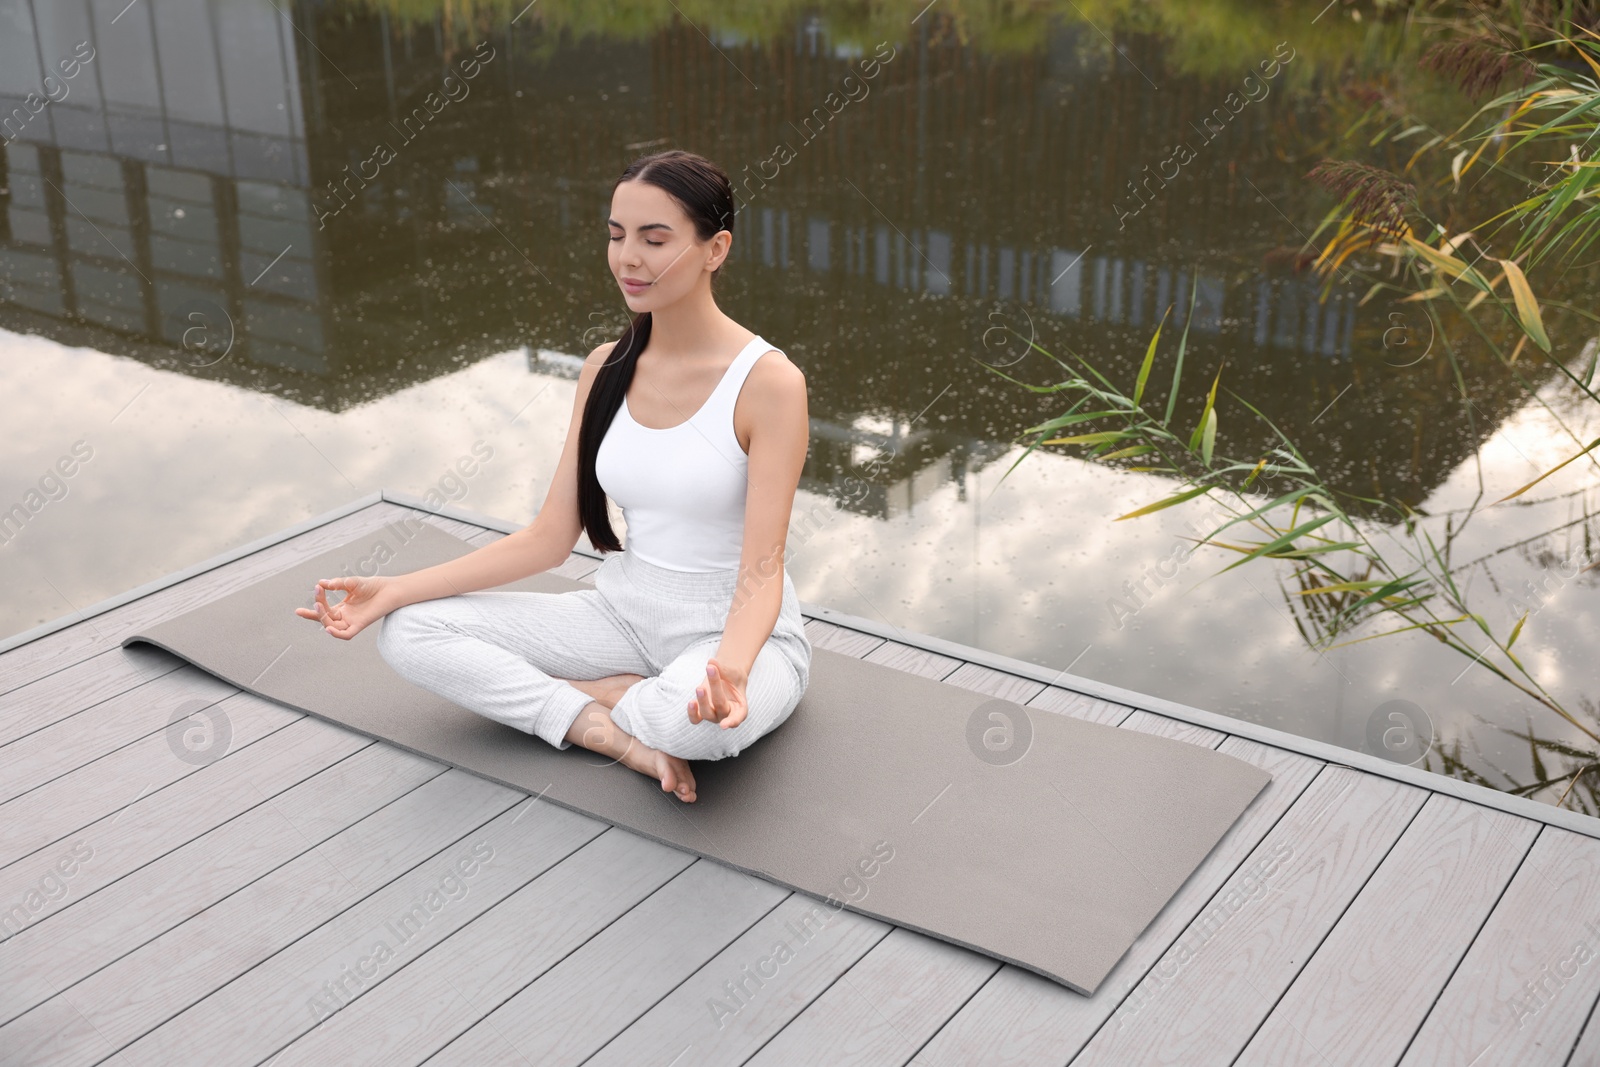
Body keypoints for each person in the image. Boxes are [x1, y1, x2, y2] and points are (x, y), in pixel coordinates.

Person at [293, 149, 812, 804]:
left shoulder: (769, 384)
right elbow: (546, 537)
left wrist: (731, 671)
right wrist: (396, 588)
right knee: (410, 630)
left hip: (734, 628)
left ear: (716, 248)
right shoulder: (607, 365)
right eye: (617, 235)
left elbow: (762, 569)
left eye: (655, 240)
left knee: (696, 730)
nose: (628, 258)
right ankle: (599, 724)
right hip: (621, 613)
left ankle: (621, 699)